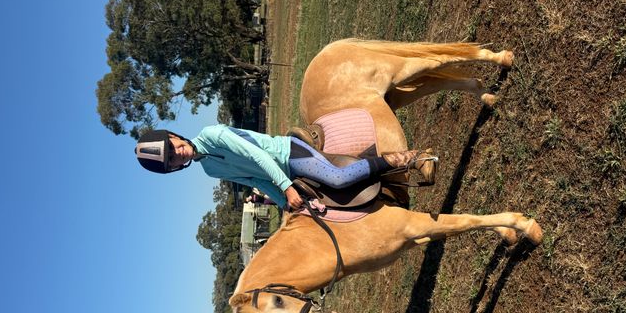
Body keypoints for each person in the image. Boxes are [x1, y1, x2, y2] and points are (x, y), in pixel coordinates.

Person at [134, 124, 436, 210]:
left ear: (174, 135)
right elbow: (254, 179)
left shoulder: (212, 134)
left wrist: (286, 186)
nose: (178, 154)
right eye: (172, 160)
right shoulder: (210, 170)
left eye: (172, 147)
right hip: (283, 178)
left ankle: (413, 158)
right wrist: (284, 203)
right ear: (175, 168)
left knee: (338, 178)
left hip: (288, 154)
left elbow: (257, 157)